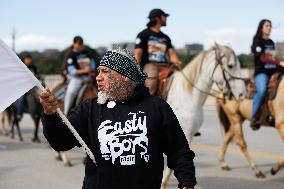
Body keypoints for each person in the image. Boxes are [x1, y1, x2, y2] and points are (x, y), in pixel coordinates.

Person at [40, 48, 196, 189]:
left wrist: (187, 183)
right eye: (98, 71)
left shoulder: (157, 107)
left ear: (126, 76)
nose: (98, 78)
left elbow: (179, 151)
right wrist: (50, 115)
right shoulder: (89, 108)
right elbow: (60, 142)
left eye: (105, 72)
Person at [134, 8, 182, 95]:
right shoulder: (143, 34)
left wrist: (176, 62)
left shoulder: (165, 37)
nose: (166, 18)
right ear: (158, 18)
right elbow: (138, 53)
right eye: (164, 16)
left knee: (180, 78)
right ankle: (148, 105)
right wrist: (135, 69)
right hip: (150, 65)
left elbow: (171, 53)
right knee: (151, 85)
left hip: (165, 65)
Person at [250, 19, 284, 130]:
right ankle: (254, 116)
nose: (269, 27)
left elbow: (273, 57)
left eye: (270, 26)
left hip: (273, 70)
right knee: (262, 90)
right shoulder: (257, 42)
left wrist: (279, 63)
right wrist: (279, 62)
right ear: (261, 28)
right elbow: (263, 58)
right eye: (267, 25)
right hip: (262, 72)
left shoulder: (271, 42)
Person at [63, 36, 96, 115]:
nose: (80, 46)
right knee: (71, 93)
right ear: (74, 44)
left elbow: (93, 63)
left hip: (89, 77)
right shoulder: (71, 55)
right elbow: (72, 71)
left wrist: (92, 69)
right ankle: (66, 113)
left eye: (81, 44)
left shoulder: (87, 52)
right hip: (77, 79)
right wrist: (85, 70)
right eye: (79, 44)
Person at [16, 54, 39, 120]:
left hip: (33, 87)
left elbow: (37, 74)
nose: (28, 60)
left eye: (29, 59)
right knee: (21, 98)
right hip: (24, 87)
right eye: (27, 59)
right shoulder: (21, 67)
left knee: (40, 96)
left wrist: (37, 76)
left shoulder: (33, 67)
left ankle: (39, 112)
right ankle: (19, 114)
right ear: (24, 60)